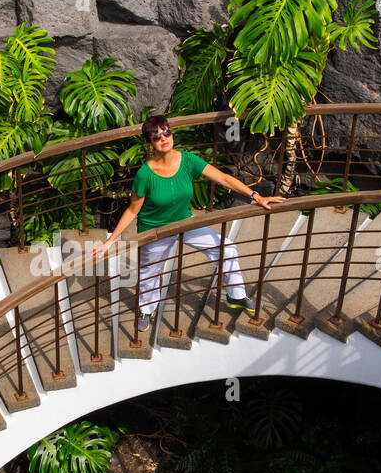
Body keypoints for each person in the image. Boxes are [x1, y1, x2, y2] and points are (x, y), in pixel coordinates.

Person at [94, 114, 285, 331]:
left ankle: (236, 295)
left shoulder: (187, 160)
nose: (164, 138)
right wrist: (110, 241)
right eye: (157, 137)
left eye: (166, 132)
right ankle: (146, 308)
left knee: (227, 248)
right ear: (150, 143)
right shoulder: (145, 174)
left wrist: (256, 195)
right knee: (150, 273)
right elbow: (132, 210)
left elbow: (222, 178)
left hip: (184, 222)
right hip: (155, 230)